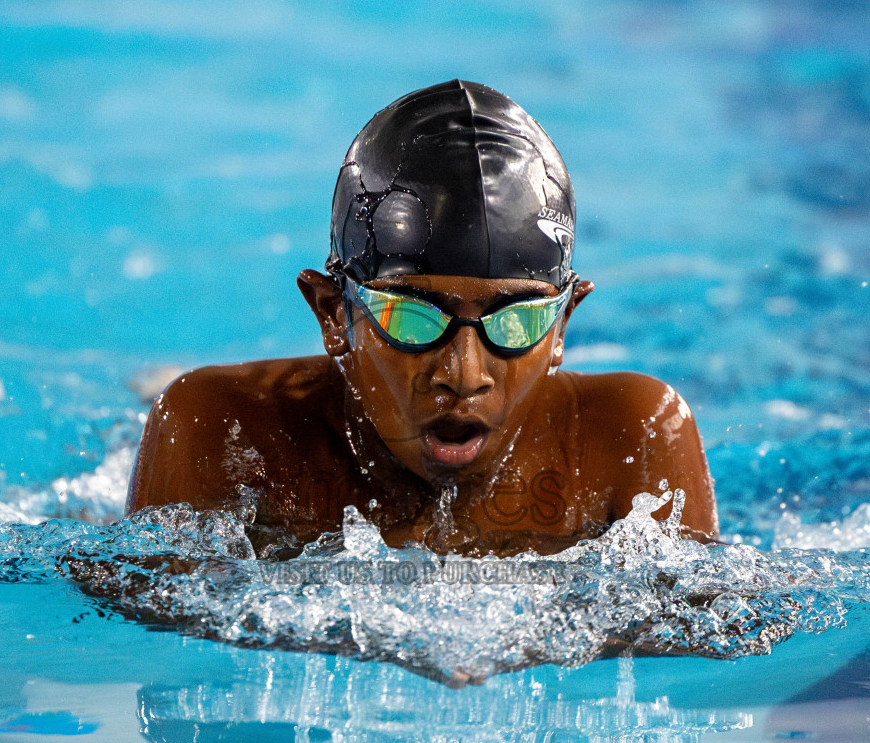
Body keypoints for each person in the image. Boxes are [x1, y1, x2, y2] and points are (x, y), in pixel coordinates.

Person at [126, 79, 716, 557]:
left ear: (560, 328)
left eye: (516, 322)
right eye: (412, 318)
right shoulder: (224, 435)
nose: (464, 373)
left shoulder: (633, 441)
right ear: (334, 315)